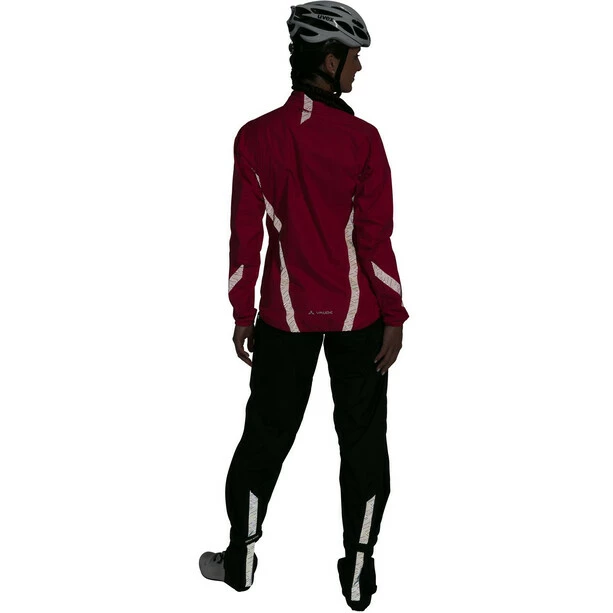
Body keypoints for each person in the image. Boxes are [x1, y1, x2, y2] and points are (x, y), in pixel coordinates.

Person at [198, 2, 409, 610]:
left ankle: (240, 557)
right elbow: (375, 238)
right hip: (359, 318)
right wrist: (394, 315)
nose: (359, 69)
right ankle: (359, 570)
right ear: (329, 58)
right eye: (355, 57)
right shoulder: (364, 140)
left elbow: (245, 238)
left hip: (282, 318)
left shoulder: (255, 137)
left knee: (265, 436)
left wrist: (242, 312)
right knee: (363, 444)